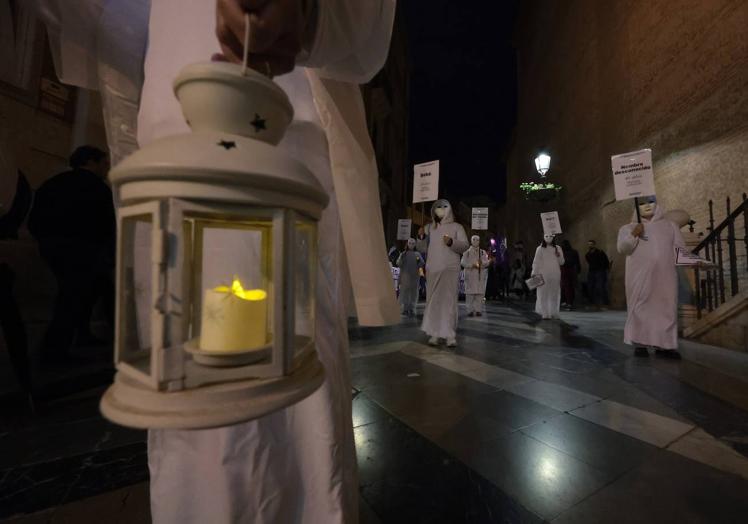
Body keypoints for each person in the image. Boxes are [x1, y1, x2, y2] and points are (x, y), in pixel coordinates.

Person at [35, 1, 399, 522]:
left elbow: (366, 30)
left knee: (295, 421)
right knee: (195, 420)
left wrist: (306, 14)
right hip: (171, 129)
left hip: (282, 131)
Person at [27, 146, 115, 360]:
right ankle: (53, 350)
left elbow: (34, 218)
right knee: (73, 296)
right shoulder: (97, 188)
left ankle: (82, 333)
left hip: (52, 247)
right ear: (91, 162)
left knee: (90, 289)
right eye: (104, 164)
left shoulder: (52, 183)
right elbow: (107, 224)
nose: (107, 169)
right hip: (83, 250)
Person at [617, 196, 684, 359]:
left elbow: (680, 251)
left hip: (665, 275)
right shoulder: (627, 228)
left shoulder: (670, 226)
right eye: (641, 203)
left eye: (650, 202)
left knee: (666, 307)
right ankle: (640, 343)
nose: (646, 206)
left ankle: (665, 345)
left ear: (657, 204)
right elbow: (622, 248)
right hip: (639, 276)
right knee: (641, 306)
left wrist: (697, 262)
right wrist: (634, 233)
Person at [421, 199, 468, 347]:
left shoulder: (457, 227)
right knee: (433, 301)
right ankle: (434, 333)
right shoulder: (430, 228)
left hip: (449, 269)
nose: (440, 210)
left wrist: (451, 242)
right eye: (437, 207)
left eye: (443, 207)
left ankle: (449, 335)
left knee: (449, 301)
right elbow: (422, 248)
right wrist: (420, 236)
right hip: (433, 269)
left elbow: (464, 246)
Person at [532, 233, 564, 319]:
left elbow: (562, 262)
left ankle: (554, 312)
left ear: (554, 237)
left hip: (555, 273)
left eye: (550, 236)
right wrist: (534, 273)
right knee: (543, 293)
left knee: (554, 293)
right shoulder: (540, 249)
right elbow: (536, 262)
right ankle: (545, 312)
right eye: (546, 236)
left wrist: (558, 255)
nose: (548, 238)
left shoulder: (558, 248)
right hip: (543, 274)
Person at [461, 235, 489, 317]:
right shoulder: (467, 252)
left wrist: (481, 264)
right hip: (470, 276)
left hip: (479, 276)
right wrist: (471, 265)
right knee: (470, 294)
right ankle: (470, 310)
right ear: (471, 241)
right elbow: (462, 262)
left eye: (477, 240)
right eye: (474, 239)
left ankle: (478, 310)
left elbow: (486, 262)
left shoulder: (483, 252)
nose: (475, 241)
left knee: (479, 294)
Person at [397, 238, 424, 317]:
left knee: (413, 293)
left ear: (415, 244)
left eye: (413, 243)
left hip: (414, 277)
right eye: (410, 243)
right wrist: (401, 258)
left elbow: (421, 264)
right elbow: (399, 263)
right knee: (405, 293)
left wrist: (421, 274)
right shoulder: (403, 254)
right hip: (405, 276)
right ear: (407, 244)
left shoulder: (417, 254)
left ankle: (412, 309)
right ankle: (405, 309)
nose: (411, 245)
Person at [585, 239, 610, 309]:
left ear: (594, 245)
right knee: (591, 287)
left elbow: (606, 261)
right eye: (589, 244)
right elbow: (589, 262)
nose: (590, 245)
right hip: (592, 272)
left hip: (600, 271)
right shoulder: (587, 254)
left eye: (591, 244)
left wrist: (606, 269)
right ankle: (593, 303)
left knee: (601, 287)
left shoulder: (600, 252)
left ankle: (604, 303)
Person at [560, 239, 581, 309]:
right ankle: (569, 302)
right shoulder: (574, 252)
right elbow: (577, 262)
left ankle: (566, 301)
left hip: (564, 270)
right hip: (572, 270)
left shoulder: (562, 252)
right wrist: (578, 270)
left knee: (565, 287)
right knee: (570, 286)